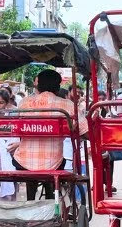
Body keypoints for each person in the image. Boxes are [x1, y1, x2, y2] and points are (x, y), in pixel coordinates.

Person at [9, 69, 88, 200]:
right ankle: (51, 200)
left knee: (32, 168)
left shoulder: (24, 103)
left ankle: (31, 201)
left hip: (22, 163)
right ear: (58, 88)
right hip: (53, 163)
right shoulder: (67, 105)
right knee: (55, 165)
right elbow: (85, 132)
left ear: (37, 85)